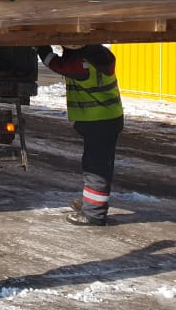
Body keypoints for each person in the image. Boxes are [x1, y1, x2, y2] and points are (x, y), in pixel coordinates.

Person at [36, 44, 123, 227]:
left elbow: (59, 65)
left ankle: (94, 214)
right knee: (99, 165)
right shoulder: (100, 55)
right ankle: (92, 205)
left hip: (98, 120)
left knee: (96, 168)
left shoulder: (83, 65)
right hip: (108, 118)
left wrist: (42, 49)